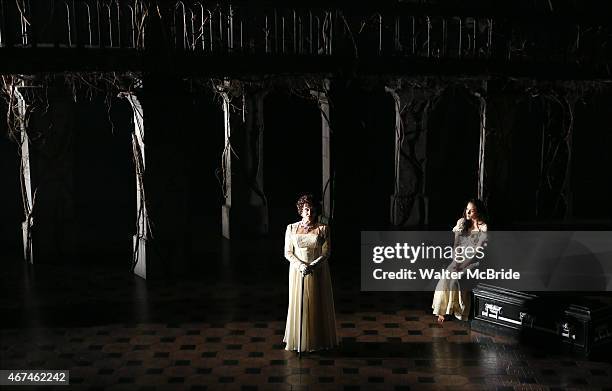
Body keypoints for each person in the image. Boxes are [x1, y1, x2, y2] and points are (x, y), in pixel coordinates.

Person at [283, 194, 338, 352]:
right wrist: (300, 266)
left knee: (316, 302)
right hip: (297, 270)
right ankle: (299, 339)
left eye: (312, 210)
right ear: (301, 210)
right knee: (299, 302)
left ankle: (317, 340)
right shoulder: (291, 228)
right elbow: (288, 252)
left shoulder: (323, 228)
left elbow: (326, 253)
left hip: (317, 270)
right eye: (306, 209)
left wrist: (312, 266)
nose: (309, 212)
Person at [432, 199, 488, 324]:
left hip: (474, 262)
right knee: (446, 277)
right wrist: (456, 262)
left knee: (455, 280)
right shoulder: (462, 223)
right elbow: (456, 245)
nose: (468, 212)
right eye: (467, 209)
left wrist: (462, 266)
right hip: (459, 259)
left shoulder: (483, 227)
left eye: (472, 210)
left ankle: (458, 311)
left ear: (478, 211)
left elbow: (476, 253)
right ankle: (443, 311)